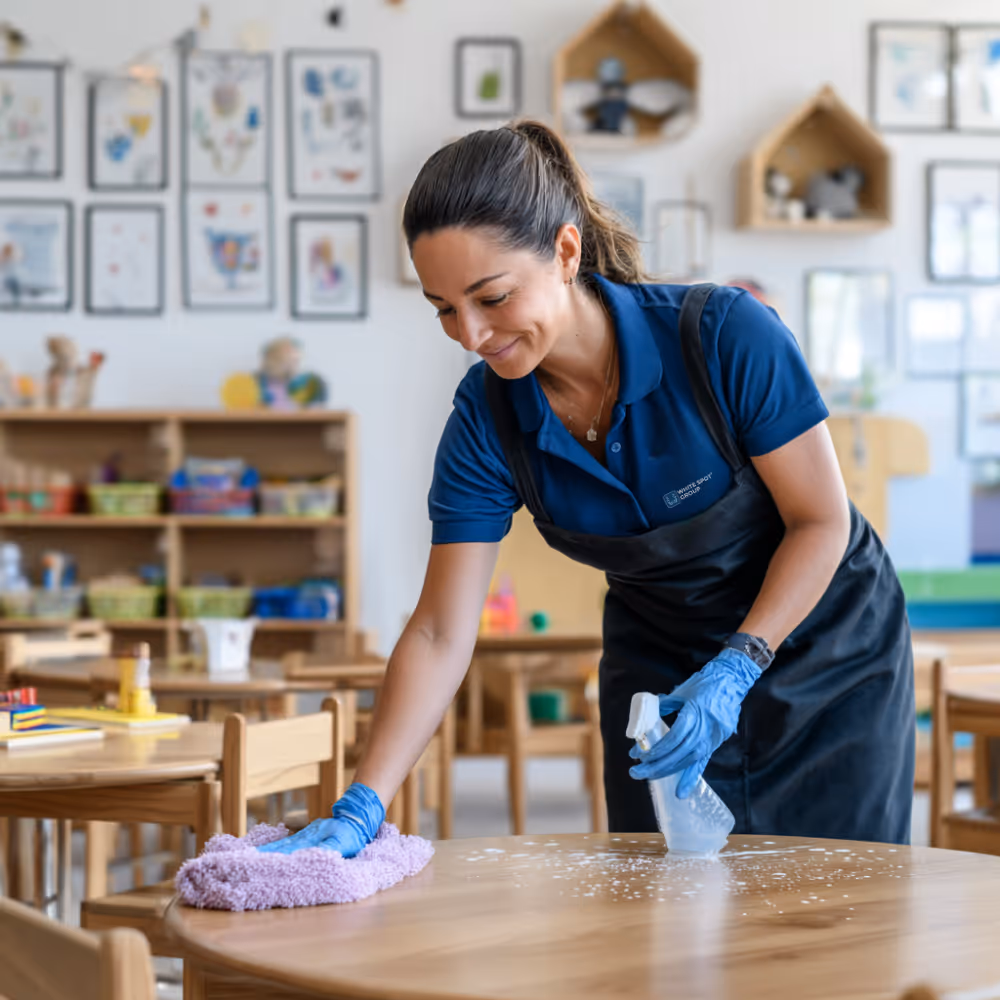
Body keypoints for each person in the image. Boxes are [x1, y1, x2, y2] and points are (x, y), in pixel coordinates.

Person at [260, 120, 914, 858]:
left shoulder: (725, 337)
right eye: (444, 308)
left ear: (565, 252)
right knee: (664, 915)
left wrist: (737, 666)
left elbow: (820, 522)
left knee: (841, 900)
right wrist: (362, 805)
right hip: (660, 660)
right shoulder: (487, 421)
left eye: (492, 297)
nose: (470, 334)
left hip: (826, 648)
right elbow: (441, 631)